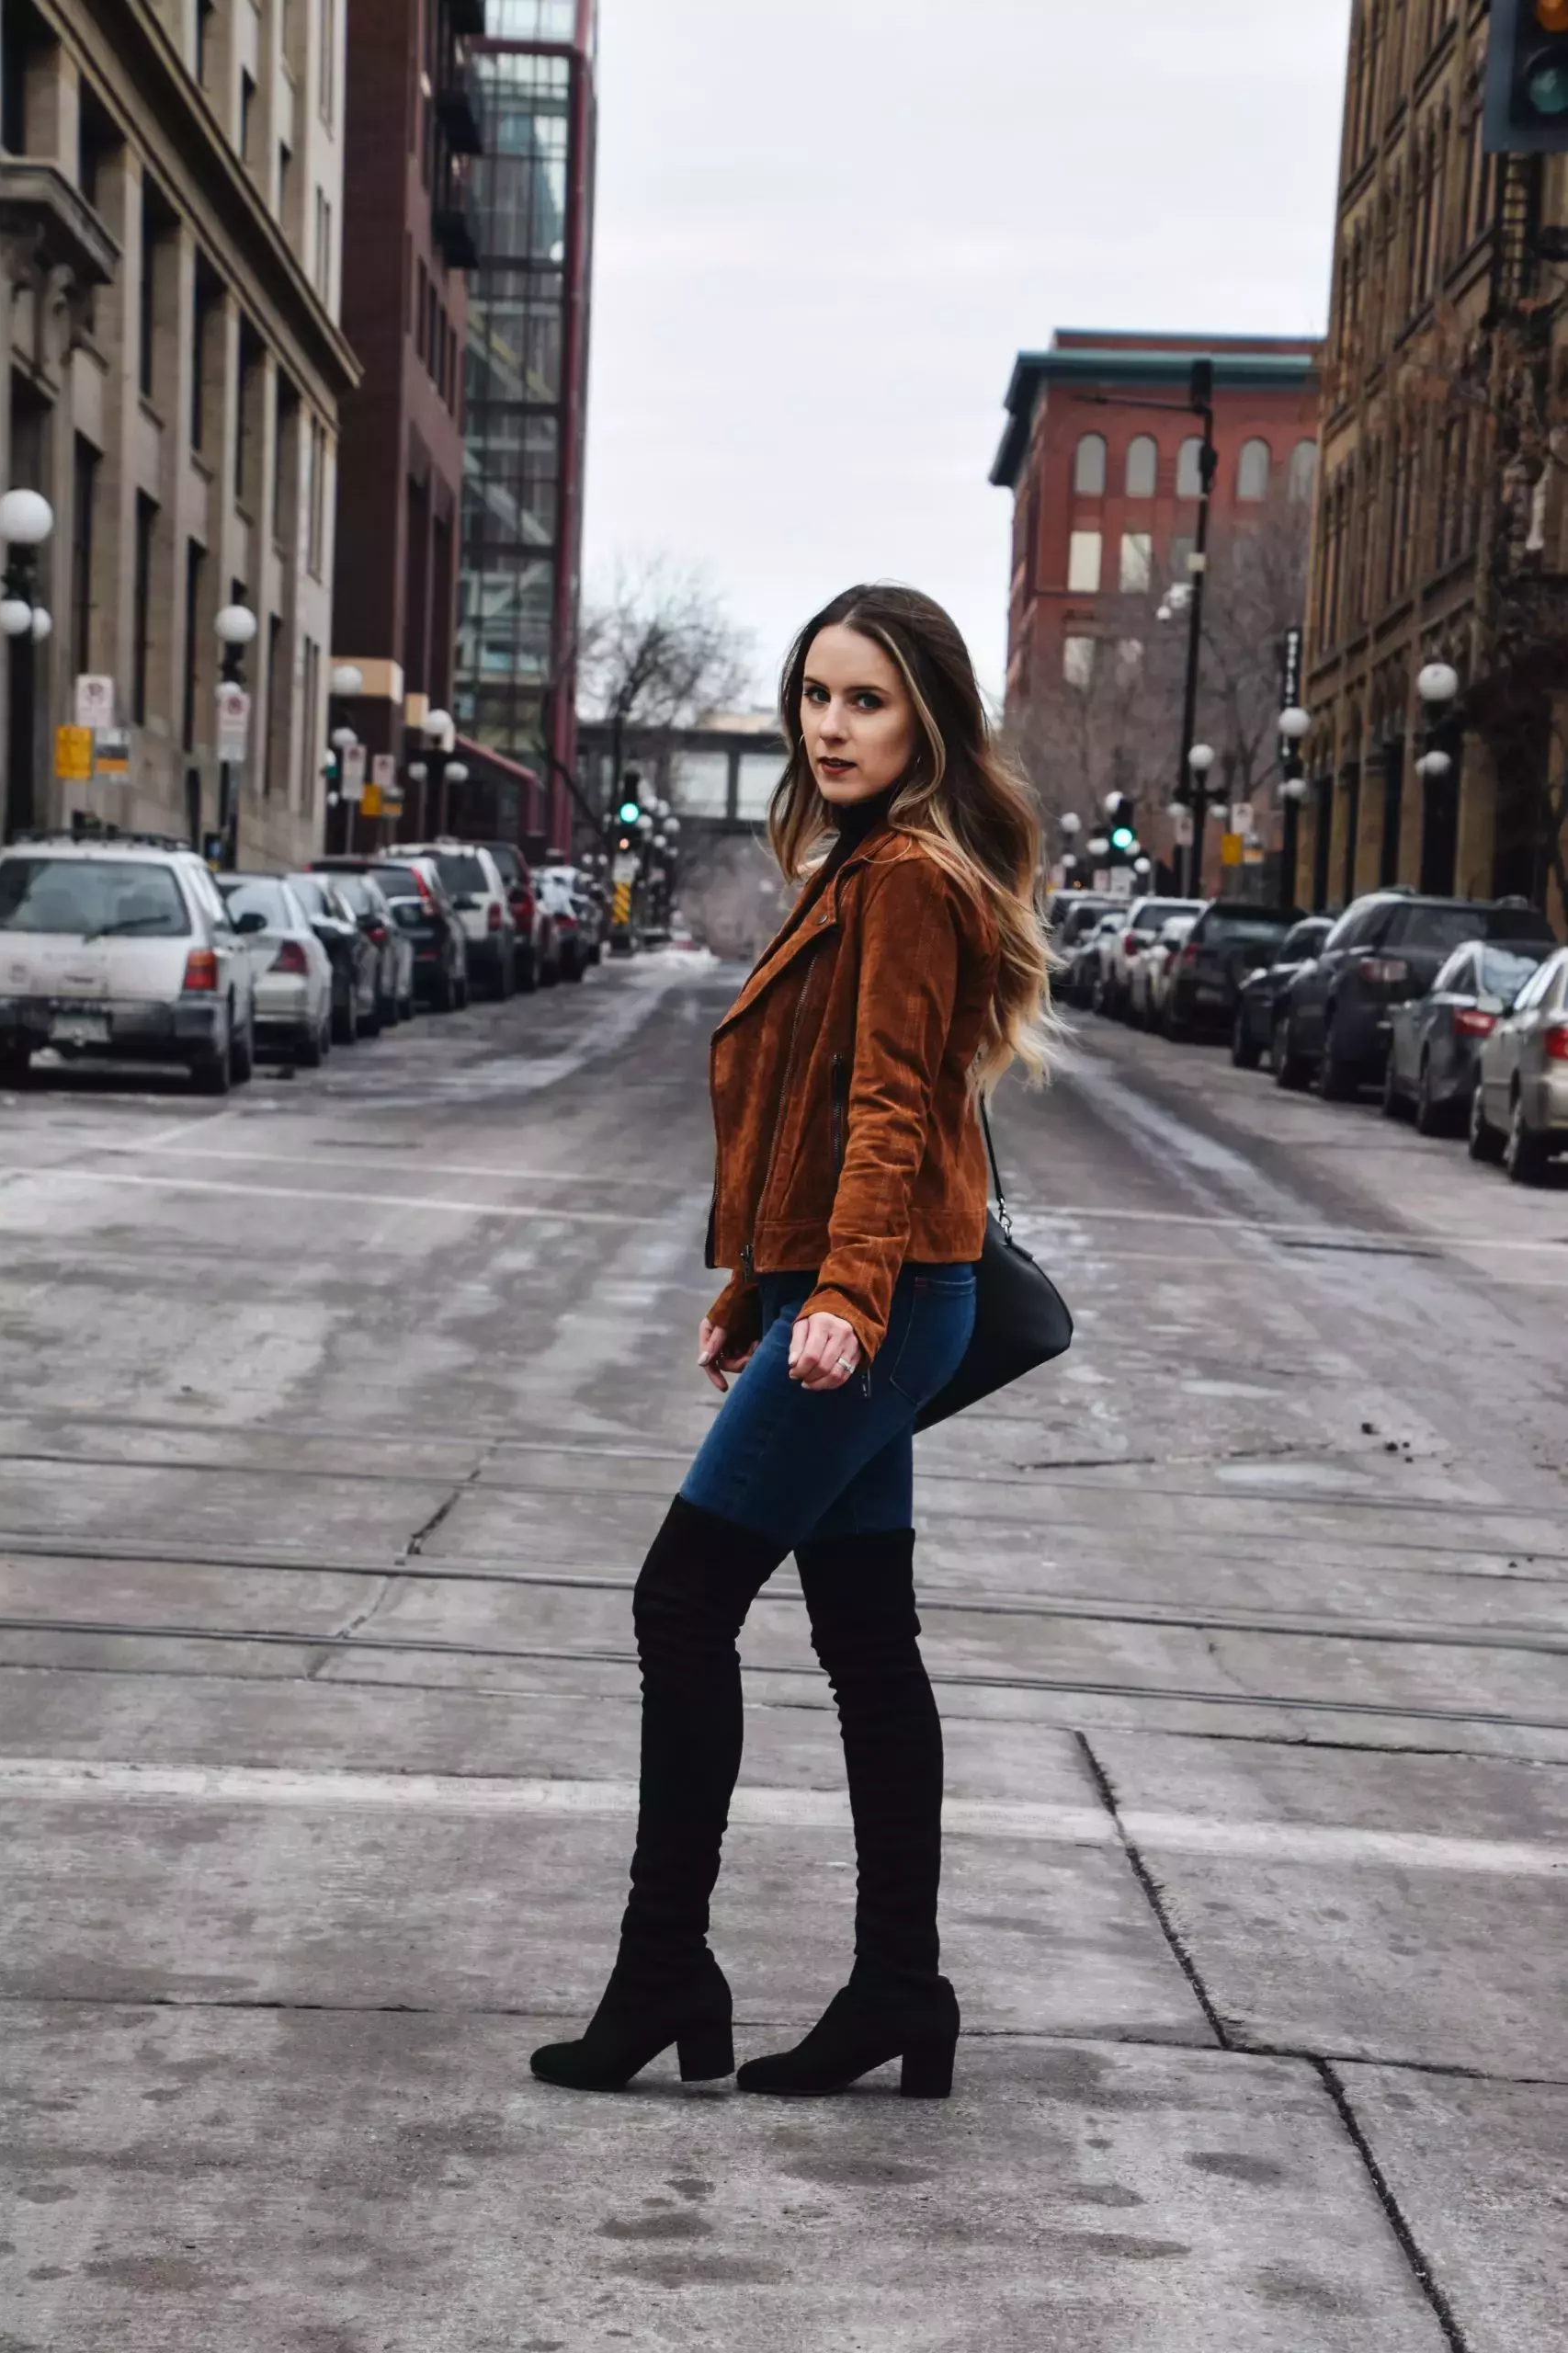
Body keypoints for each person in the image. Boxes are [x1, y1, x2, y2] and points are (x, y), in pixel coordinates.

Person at [531, 583, 1054, 2099]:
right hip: (877, 1282)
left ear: (927, 722)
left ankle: (665, 1970)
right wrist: (765, 1284)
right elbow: (813, 1107)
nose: (830, 726)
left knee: (680, 1601)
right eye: (814, 696)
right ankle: (898, 1985)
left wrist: (838, 1298)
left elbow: (892, 1107)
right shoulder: (866, 864)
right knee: (866, 1641)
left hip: (885, 1294)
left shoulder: (900, 878)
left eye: (866, 701)